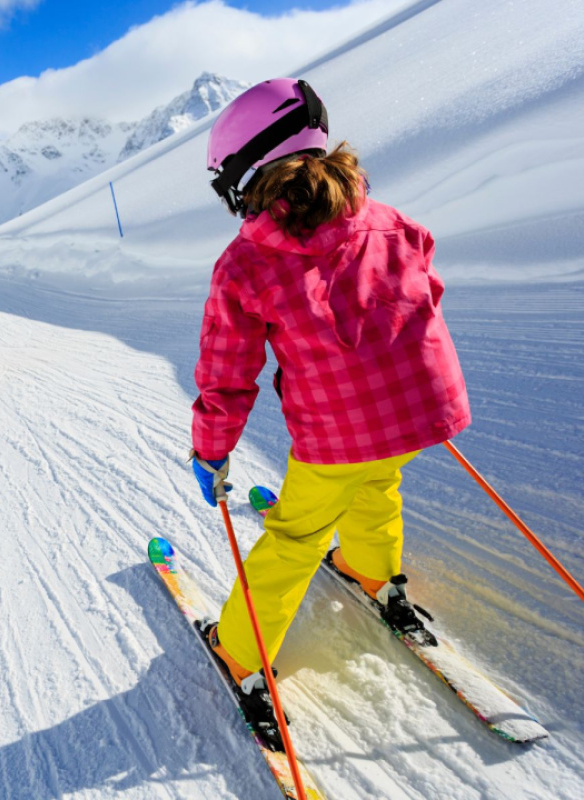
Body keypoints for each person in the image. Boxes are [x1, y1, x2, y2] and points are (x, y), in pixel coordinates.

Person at [188, 79, 470, 731]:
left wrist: (211, 448)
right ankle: (374, 574)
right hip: (417, 413)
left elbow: (228, 374)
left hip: (338, 433)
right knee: (378, 482)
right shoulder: (390, 219)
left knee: (294, 535)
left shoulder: (246, 263)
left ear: (248, 172)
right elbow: (426, 286)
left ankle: (239, 651)